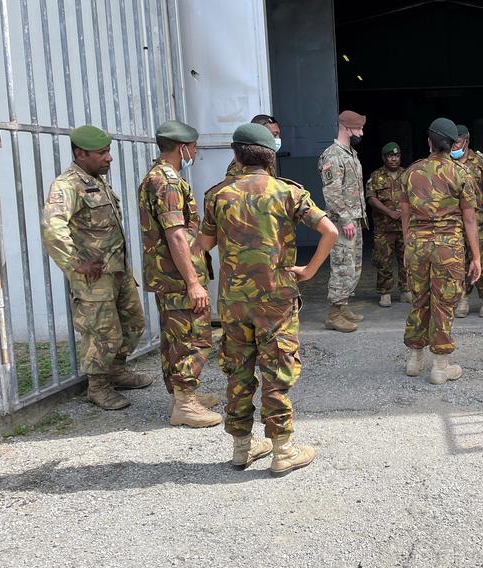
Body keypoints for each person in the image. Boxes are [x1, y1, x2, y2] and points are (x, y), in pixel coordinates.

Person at [199, 123, 338, 475]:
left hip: (233, 302)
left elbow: (203, 245)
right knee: (276, 372)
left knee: (238, 371)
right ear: (270, 155)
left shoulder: (218, 195)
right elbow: (330, 231)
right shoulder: (287, 193)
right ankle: (283, 450)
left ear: (236, 154)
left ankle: (241, 448)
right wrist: (308, 271)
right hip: (275, 300)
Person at [41, 125, 151, 410]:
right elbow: (53, 229)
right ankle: (98, 387)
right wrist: (76, 264)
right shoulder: (67, 185)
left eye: (108, 151)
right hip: (93, 277)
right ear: (80, 153)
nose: (109, 158)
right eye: (101, 153)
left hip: (117, 270)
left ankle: (116, 370)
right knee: (102, 333)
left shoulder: (96, 180)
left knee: (134, 323)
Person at [138, 120, 221, 427]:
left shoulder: (156, 176)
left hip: (168, 275)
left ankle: (182, 396)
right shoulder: (168, 182)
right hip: (178, 277)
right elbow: (175, 235)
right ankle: (185, 404)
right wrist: (193, 282)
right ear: (183, 147)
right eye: (194, 147)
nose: (196, 152)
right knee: (192, 338)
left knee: (175, 338)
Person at [400, 118, 481, 385]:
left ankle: (414, 360)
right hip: (448, 247)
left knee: (419, 300)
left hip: (417, 246)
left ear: (430, 142)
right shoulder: (461, 173)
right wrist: (476, 257)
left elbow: (405, 215)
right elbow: (470, 219)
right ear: (452, 144)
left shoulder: (411, 172)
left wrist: (408, 246)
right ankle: (440, 366)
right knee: (444, 305)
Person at [319, 110, 368, 332]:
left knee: (353, 266)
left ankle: (343, 305)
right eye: (358, 129)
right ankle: (333, 314)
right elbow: (332, 193)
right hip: (342, 221)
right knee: (342, 266)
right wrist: (345, 219)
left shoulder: (350, 153)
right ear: (346, 128)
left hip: (354, 218)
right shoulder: (332, 156)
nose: (361, 132)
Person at [452, 124, 483, 318]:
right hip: (454, 221)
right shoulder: (447, 162)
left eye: (458, 142)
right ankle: (463, 299)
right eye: (452, 142)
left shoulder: (480, 161)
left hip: (478, 220)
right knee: (458, 262)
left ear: (467, 140)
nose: (454, 146)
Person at [366, 142, 410, 307]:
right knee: (383, 261)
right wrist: (389, 212)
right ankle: (385, 293)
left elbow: (415, 195)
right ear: (384, 158)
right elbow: (371, 198)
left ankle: (406, 290)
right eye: (390, 156)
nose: (394, 159)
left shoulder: (407, 174)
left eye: (397, 156)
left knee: (406, 260)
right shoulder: (376, 176)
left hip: (404, 227)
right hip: (384, 227)